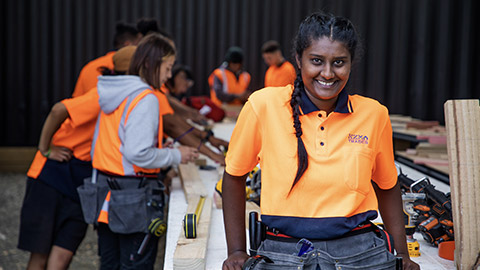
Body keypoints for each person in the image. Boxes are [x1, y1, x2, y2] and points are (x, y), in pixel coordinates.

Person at [221, 12, 419, 270]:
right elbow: (234, 175)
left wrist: (402, 254)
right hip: (282, 253)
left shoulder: (374, 115)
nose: (327, 73)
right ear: (298, 60)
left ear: (351, 64)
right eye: (316, 60)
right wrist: (236, 250)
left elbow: (387, 185)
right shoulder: (262, 106)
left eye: (339, 62)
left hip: (360, 253)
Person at [16, 45, 140, 270]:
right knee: (40, 256)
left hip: (83, 181)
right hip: (52, 175)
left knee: (61, 258)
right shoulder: (103, 95)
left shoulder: (137, 99)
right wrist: (45, 149)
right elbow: (58, 110)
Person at [85, 33, 198, 269]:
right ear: (150, 64)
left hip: (106, 199)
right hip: (132, 203)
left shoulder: (115, 93)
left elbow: (116, 145)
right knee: (135, 264)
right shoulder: (145, 98)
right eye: (167, 68)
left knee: (110, 264)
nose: (169, 75)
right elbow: (138, 154)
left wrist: (158, 151)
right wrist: (177, 155)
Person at [72, 22, 141, 98]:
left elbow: (76, 101)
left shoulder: (89, 67)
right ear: (128, 45)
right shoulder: (129, 67)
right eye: (139, 46)